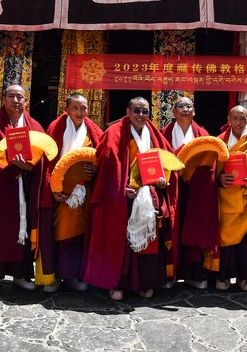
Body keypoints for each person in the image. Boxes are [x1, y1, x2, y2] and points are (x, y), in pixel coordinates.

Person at [82, 97, 176, 301]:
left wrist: (162, 182)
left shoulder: (154, 134)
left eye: (145, 112)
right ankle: (118, 284)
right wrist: (122, 188)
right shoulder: (114, 133)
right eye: (137, 110)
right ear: (127, 111)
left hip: (148, 196)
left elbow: (167, 163)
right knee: (122, 244)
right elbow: (107, 167)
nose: (141, 115)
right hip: (122, 198)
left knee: (149, 241)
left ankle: (144, 283)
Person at [0, 85, 42, 291]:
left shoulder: (35, 127)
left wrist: (28, 168)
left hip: (23, 189)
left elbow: (43, 159)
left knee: (23, 232)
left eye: (20, 97)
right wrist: (11, 168)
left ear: (26, 102)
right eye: (11, 96)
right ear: (2, 99)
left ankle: (21, 275)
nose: (15, 100)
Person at [42, 93, 103, 291]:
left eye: (83, 108)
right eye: (75, 108)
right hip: (60, 192)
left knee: (81, 233)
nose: (80, 112)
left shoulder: (93, 132)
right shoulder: (56, 129)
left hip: (84, 192)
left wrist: (95, 171)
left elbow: (102, 159)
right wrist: (52, 187)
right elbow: (47, 161)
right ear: (67, 109)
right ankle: (56, 274)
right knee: (60, 232)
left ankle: (75, 276)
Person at [161, 96, 213, 290]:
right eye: (180, 106)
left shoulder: (202, 134)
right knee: (170, 230)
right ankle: (169, 274)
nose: (185, 109)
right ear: (173, 112)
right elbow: (158, 159)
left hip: (195, 192)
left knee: (194, 230)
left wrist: (194, 175)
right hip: (171, 189)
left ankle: (194, 274)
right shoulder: (163, 134)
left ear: (194, 112)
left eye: (188, 106)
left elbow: (210, 164)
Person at [214, 105, 247, 291]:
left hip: (246, 200)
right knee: (225, 239)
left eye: (242, 119)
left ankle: (245, 278)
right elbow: (211, 170)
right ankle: (224, 276)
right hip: (225, 199)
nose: (238, 122)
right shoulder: (219, 142)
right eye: (234, 118)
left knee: (246, 240)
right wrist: (219, 178)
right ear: (229, 119)